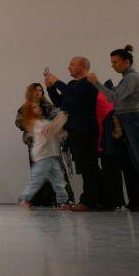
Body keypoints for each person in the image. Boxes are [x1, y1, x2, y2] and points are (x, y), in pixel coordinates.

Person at [88, 46, 139, 212]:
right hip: (128, 119)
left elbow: (113, 97)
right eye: (112, 62)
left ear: (126, 61)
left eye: (115, 62)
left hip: (133, 119)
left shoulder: (132, 78)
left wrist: (96, 83)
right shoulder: (127, 78)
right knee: (138, 161)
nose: (113, 65)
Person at [45, 57, 101, 210]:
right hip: (75, 129)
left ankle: (90, 201)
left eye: (72, 65)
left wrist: (57, 82)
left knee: (89, 165)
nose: (68, 67)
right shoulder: (72, 85)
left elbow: (76, 95)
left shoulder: (89, 82)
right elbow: (60, 103)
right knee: (83, 165)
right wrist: (50, 87)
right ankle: (89, 199)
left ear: (83, 66)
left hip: (86, 128)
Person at [15, 83, 74, 207]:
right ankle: (29, 199)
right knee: (38, 178)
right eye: (36, 90)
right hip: (41, 152)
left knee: (58, 178)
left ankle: (62, 201)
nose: (38, 92)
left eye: (40, 90)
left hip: (51, 151)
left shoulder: (48, 108)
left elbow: (56, 124)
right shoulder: (30, 116)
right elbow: (21, 123)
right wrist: (63, 116)